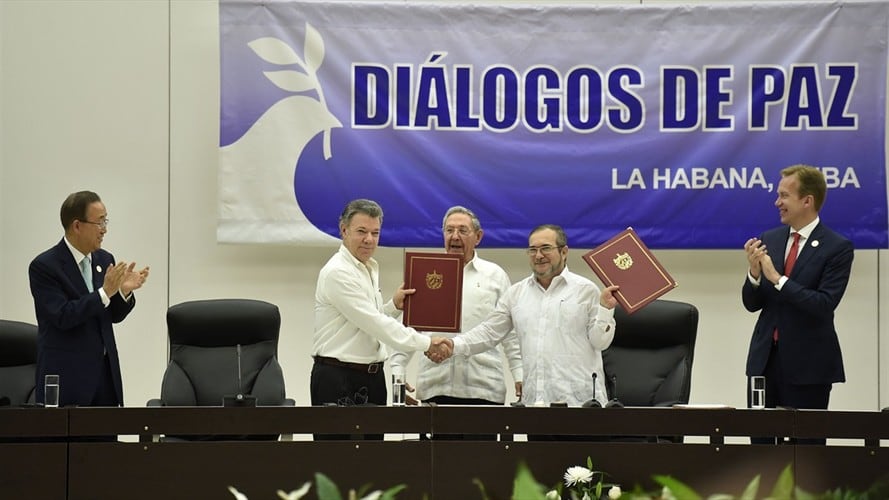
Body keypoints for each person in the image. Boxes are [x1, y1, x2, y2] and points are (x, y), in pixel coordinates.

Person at [433, 224, 619, 408]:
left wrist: (606, 309)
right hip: (535, 406)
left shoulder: (586, 290)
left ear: (564, 252)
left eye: (546, 248)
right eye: (532, 250)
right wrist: (453, 345)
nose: (538, 256)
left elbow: (600, 342)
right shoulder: (516, 294)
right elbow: (489, 332)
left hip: (580, 405)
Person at [311, 199, 452, 410]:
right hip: (339, 378)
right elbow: (375, 323)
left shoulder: (368, 267)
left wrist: (394, 306)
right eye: (361, 231)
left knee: (376, 444)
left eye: (375, 233)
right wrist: (427, 343)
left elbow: (366, 322)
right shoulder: (338, 272)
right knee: (339, 445)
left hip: (372, 377)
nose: (369, 239)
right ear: (344, 230)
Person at [742, 165, 853, 423]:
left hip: (809, 367)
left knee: (805, 451)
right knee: (761, 451)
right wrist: (755, 274)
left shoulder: (837, 248)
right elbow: (752, 304)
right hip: (764, 362)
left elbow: (823, 304)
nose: (776, 202)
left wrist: (777, 279)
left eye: (783, 196)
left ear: (807, 201)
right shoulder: (771, 238)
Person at [390, 206, 522, 418]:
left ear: (478, 237)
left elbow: (510, 333)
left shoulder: (495, 276)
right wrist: (398, 374)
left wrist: (519, 374)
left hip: (484, 389)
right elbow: (407, 329)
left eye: (462, 230)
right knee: (435, 453)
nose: (455, 236)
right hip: (434, 388)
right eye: (449, 230)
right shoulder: (424, 272)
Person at [29, 191, 149, 407]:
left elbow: (112, 315)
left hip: (105, 378)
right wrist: (104, 293)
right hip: (67, 379)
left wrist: (123, 292)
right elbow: (63, 315)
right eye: (100, 222)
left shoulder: (105, 259)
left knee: (106, 440)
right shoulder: (45, 267)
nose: (105, 229)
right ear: (77, 226)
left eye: (106, 220)